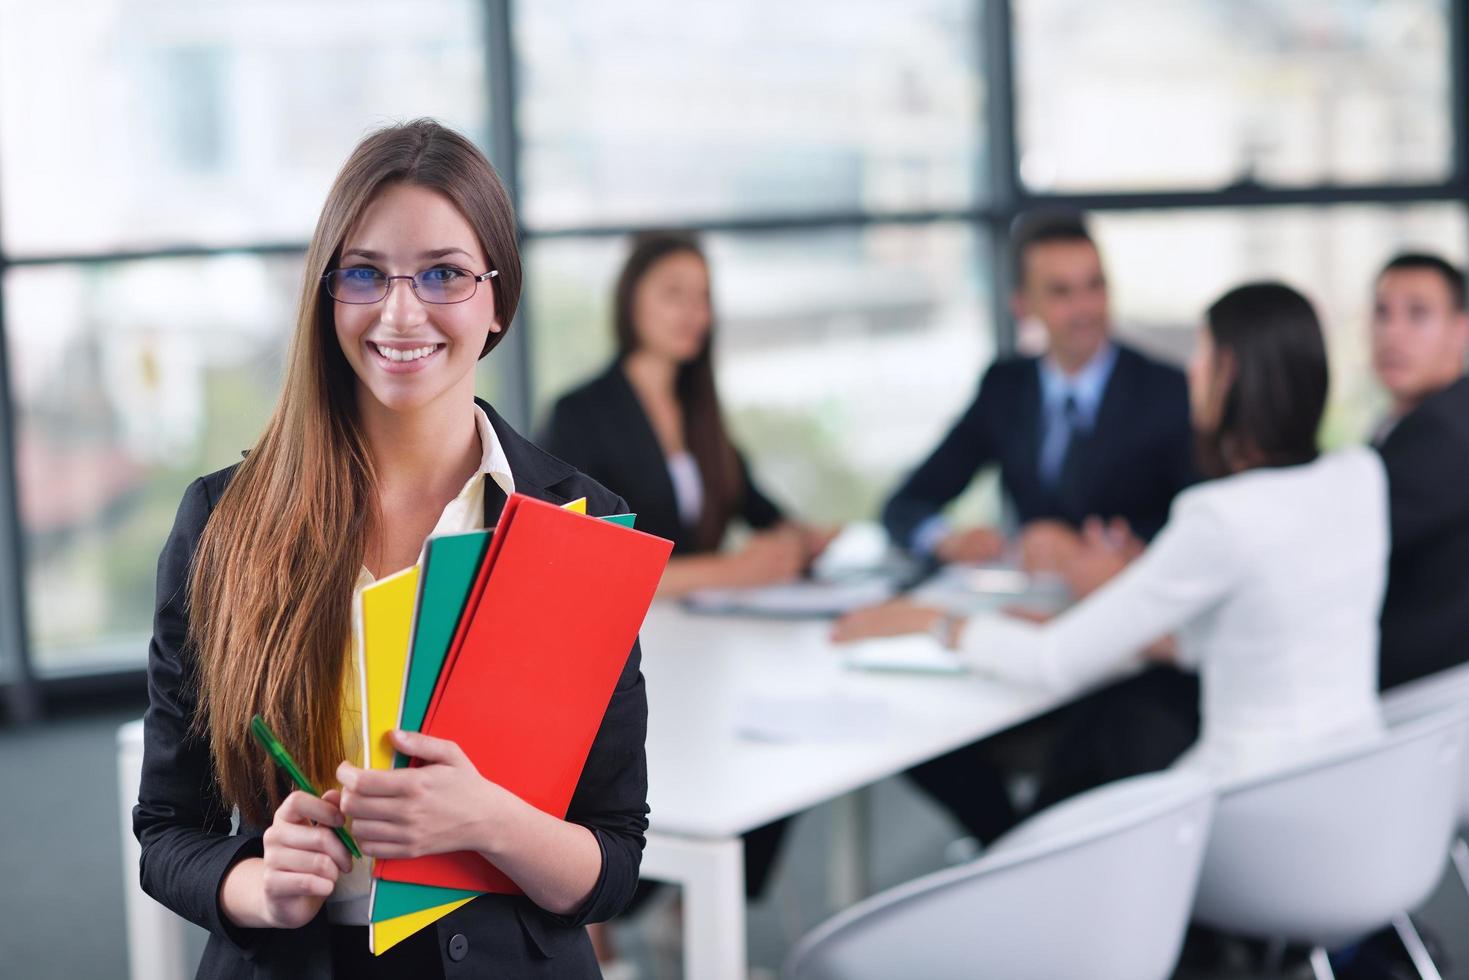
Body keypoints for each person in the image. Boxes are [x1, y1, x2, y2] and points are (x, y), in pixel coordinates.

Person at [133, 120, 645, 979]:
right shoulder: (225, 522)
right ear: (328, 292)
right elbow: (165, 830)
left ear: (498, 300)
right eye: (365, 273)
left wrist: (485, 819)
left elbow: (613, 856)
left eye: (443, 274)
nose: (400, 313)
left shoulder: (576, 522)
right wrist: (255, 886)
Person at [838, 282, 1388, 786]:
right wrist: (1123, 594)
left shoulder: (1219, 515)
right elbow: (1229, 637)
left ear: (1229, 373)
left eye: (1201, 355)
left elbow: (1052, 664)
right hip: (1350, 786)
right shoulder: (1360, 475)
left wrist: (931, 620)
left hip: (1252, 806)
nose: (1190, 373)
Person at [882, 211, 1195, 572]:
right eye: (1061, 292)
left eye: (1095, 286)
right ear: (1023, 305)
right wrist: (946, 540)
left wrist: (1124, 550)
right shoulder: (1005, 388)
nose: (1085, 308)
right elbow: (906, 504)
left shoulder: (1167, 390)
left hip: (1135, 602)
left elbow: (1203, 524)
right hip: (1028, 604)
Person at [542, 231, 834, 598]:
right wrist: (732, 570)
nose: (694, 313)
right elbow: (577, 561)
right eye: (674, 294)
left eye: (703, 297)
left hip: (704, 630)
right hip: (631, 631)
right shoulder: (578, 415)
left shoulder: (699, 410)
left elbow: (758, 510)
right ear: (631, 300)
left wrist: (799, 541)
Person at [1369, 253, 1469, 690]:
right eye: (1381, 312)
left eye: (1418, 314)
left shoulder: (1445, 433)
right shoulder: (1413, 422)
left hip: (1427, 699)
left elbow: (1344, 541)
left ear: (1462, 330)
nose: (1393, 333)